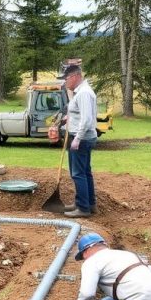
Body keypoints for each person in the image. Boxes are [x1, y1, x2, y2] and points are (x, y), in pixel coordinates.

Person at [60, 64, 97, 218]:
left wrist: (78, 138)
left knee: (78, 174)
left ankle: (83, 208)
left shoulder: (83, 93)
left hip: (80, 138)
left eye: (66, 78)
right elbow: (83, 113)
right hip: (82, 136)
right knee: (85, 172)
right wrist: (70, 117)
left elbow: (87, 119)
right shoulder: (82, 92)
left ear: (75, 76)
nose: (65, 82)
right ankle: (89, 203)